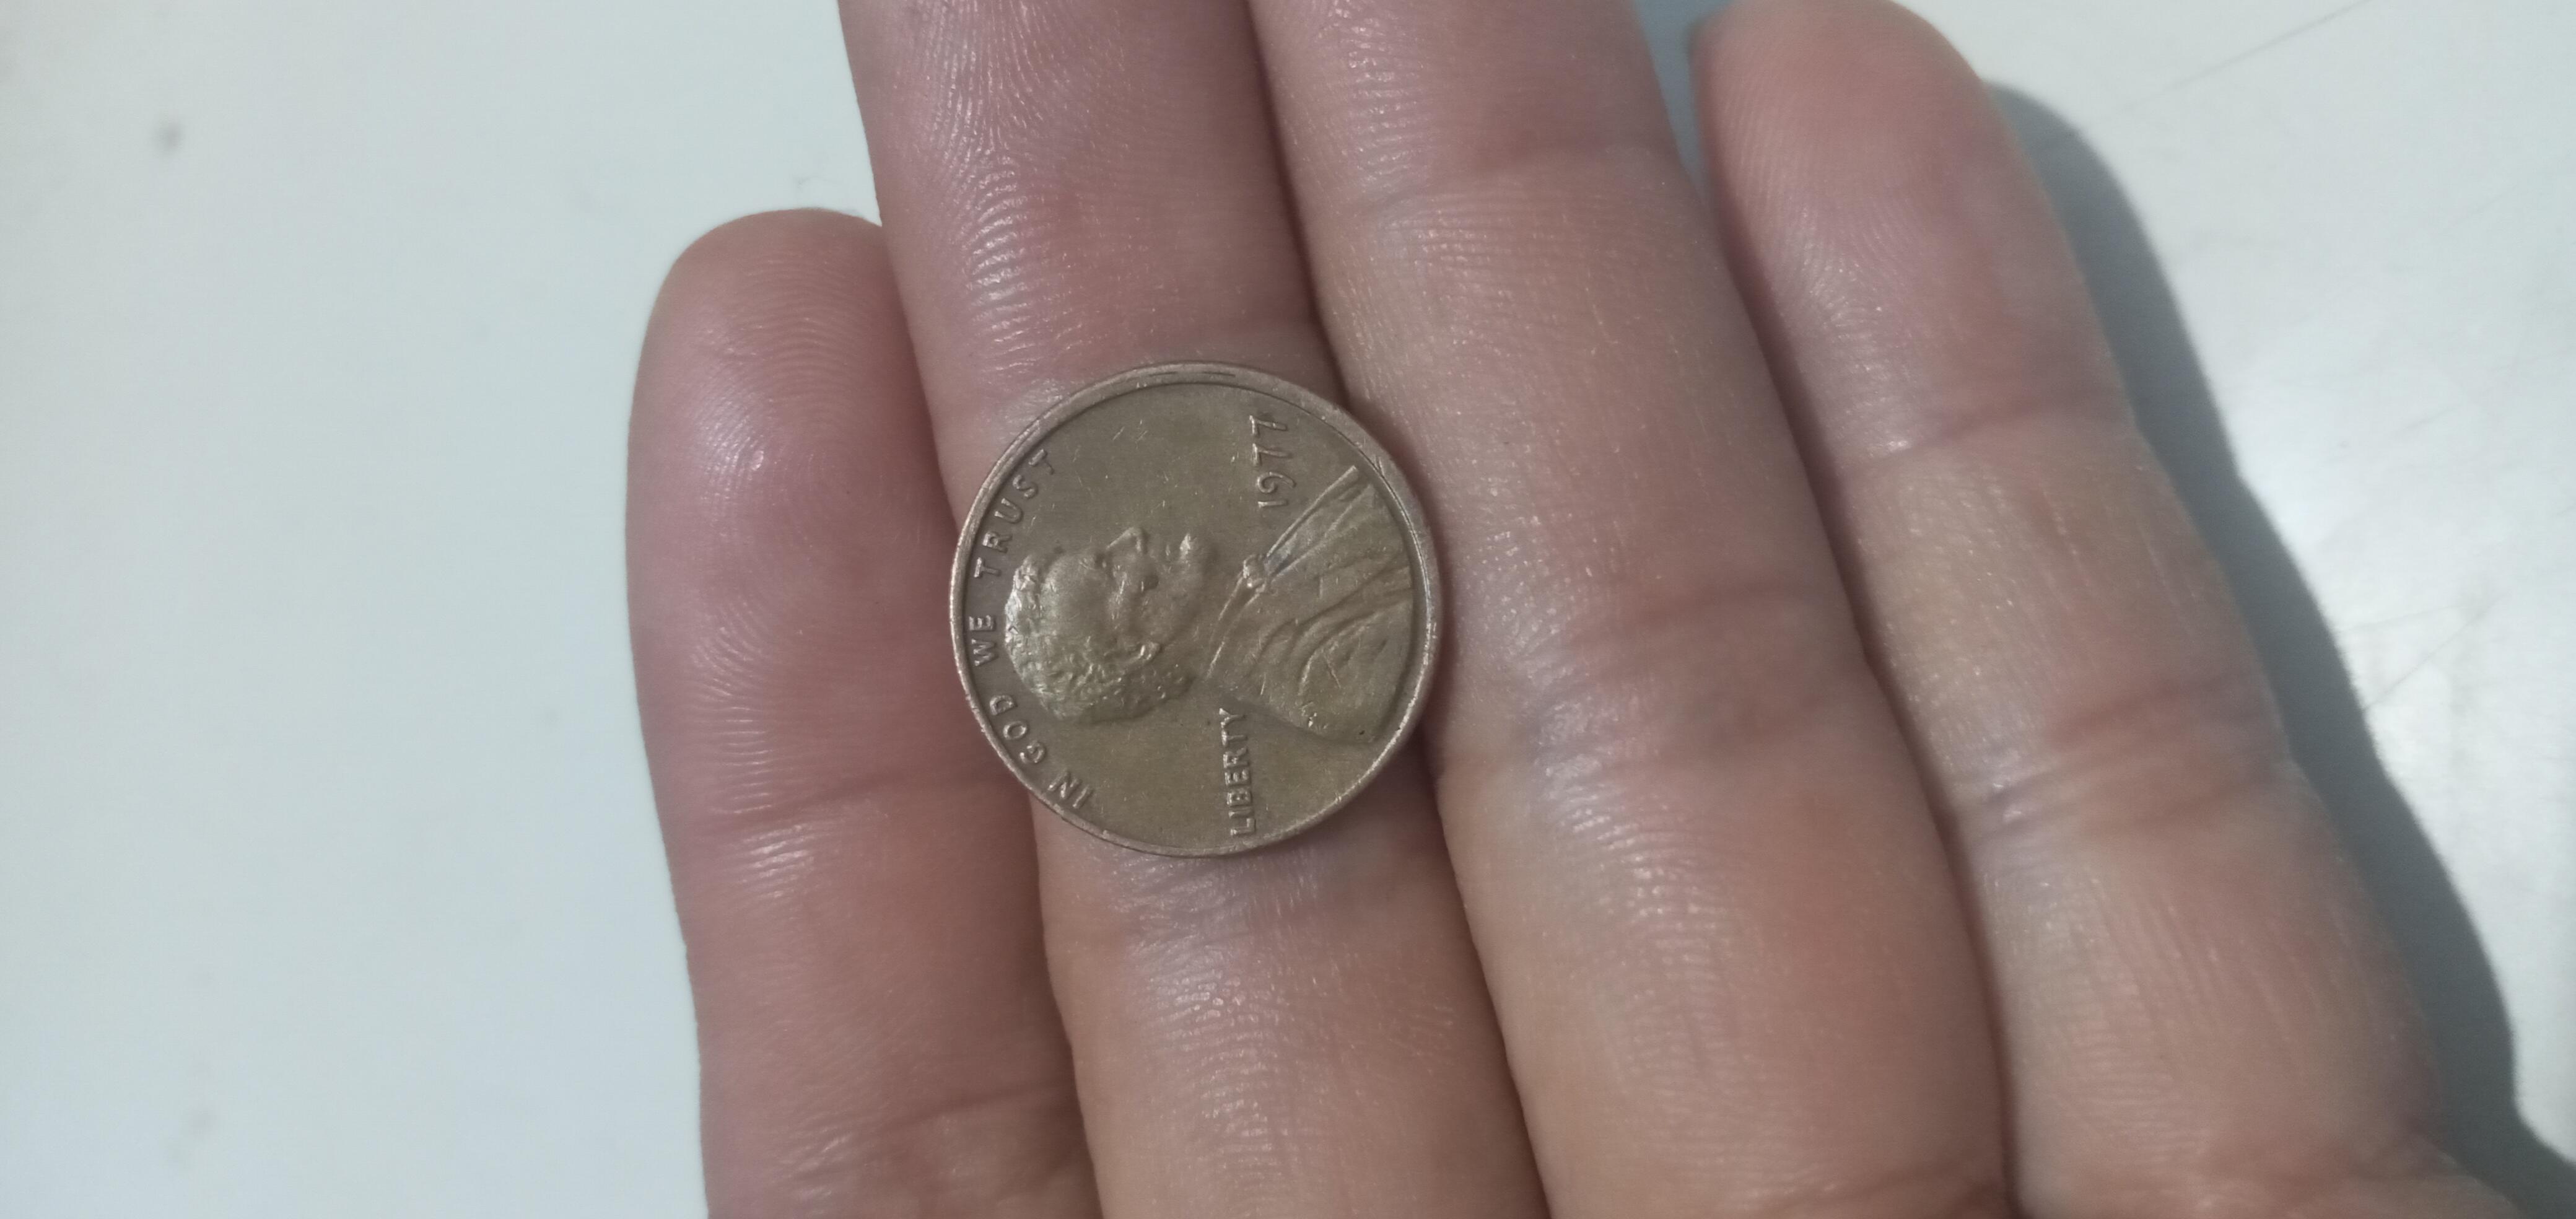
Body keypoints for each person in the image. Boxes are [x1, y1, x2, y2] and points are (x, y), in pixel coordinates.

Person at [626, 0, 2530, 1215]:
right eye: (1118, 583)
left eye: (1113, 550)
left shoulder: (1315, 618)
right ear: (1141, 657)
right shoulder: (1310, 657)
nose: (1128, 548)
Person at [1005, 466, 1415, 742]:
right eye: (1110, 568)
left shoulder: (1274, 572)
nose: (1132, 535)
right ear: (1133, 652)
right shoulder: (1321, 689)